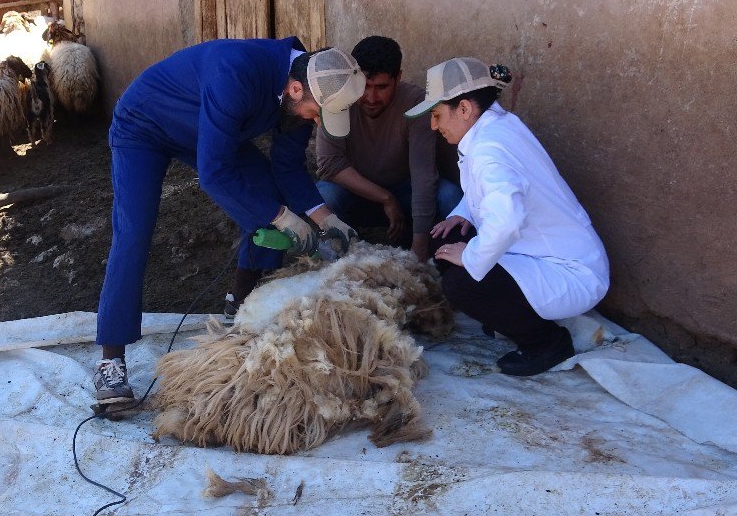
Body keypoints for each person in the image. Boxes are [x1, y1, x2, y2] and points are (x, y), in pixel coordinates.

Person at [94, 38, 365, 404]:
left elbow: (285, 167)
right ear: (294, 88)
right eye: (316, 114)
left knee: (266, 192)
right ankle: (112, 358)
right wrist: (282, 218)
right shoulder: (234, 71)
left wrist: (324, 216)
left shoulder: (306, 85)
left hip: (214, 129)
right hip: (145, 125)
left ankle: (241, 304)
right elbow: (215, 173)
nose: (315, 122)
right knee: (134, 231)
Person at [405, 57, 610, 376]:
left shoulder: (490, 149)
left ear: (463, 109)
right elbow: (489, 193)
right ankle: (510, 315)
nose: (433, 126)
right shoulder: (494, 127)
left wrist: (470, 254)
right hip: (540, 253)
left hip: (570, 271)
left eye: (436, 115)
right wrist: (462, 215)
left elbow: (508, 218)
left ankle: (547, 343)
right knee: (445, 241)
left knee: (462, 283)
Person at [315, 36, 463, 261]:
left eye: (382, 87)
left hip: (405, 194)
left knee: (449, 196)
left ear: (398, 78)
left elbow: (424, 176)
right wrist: (385, 198)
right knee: (323, 194)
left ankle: (461, 263)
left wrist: (418, 251)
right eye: (365, 86)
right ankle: (338, 253)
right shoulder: (337, 98)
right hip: (356, 195)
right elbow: (329, 165)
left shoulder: (415, 103)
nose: (371, 97)